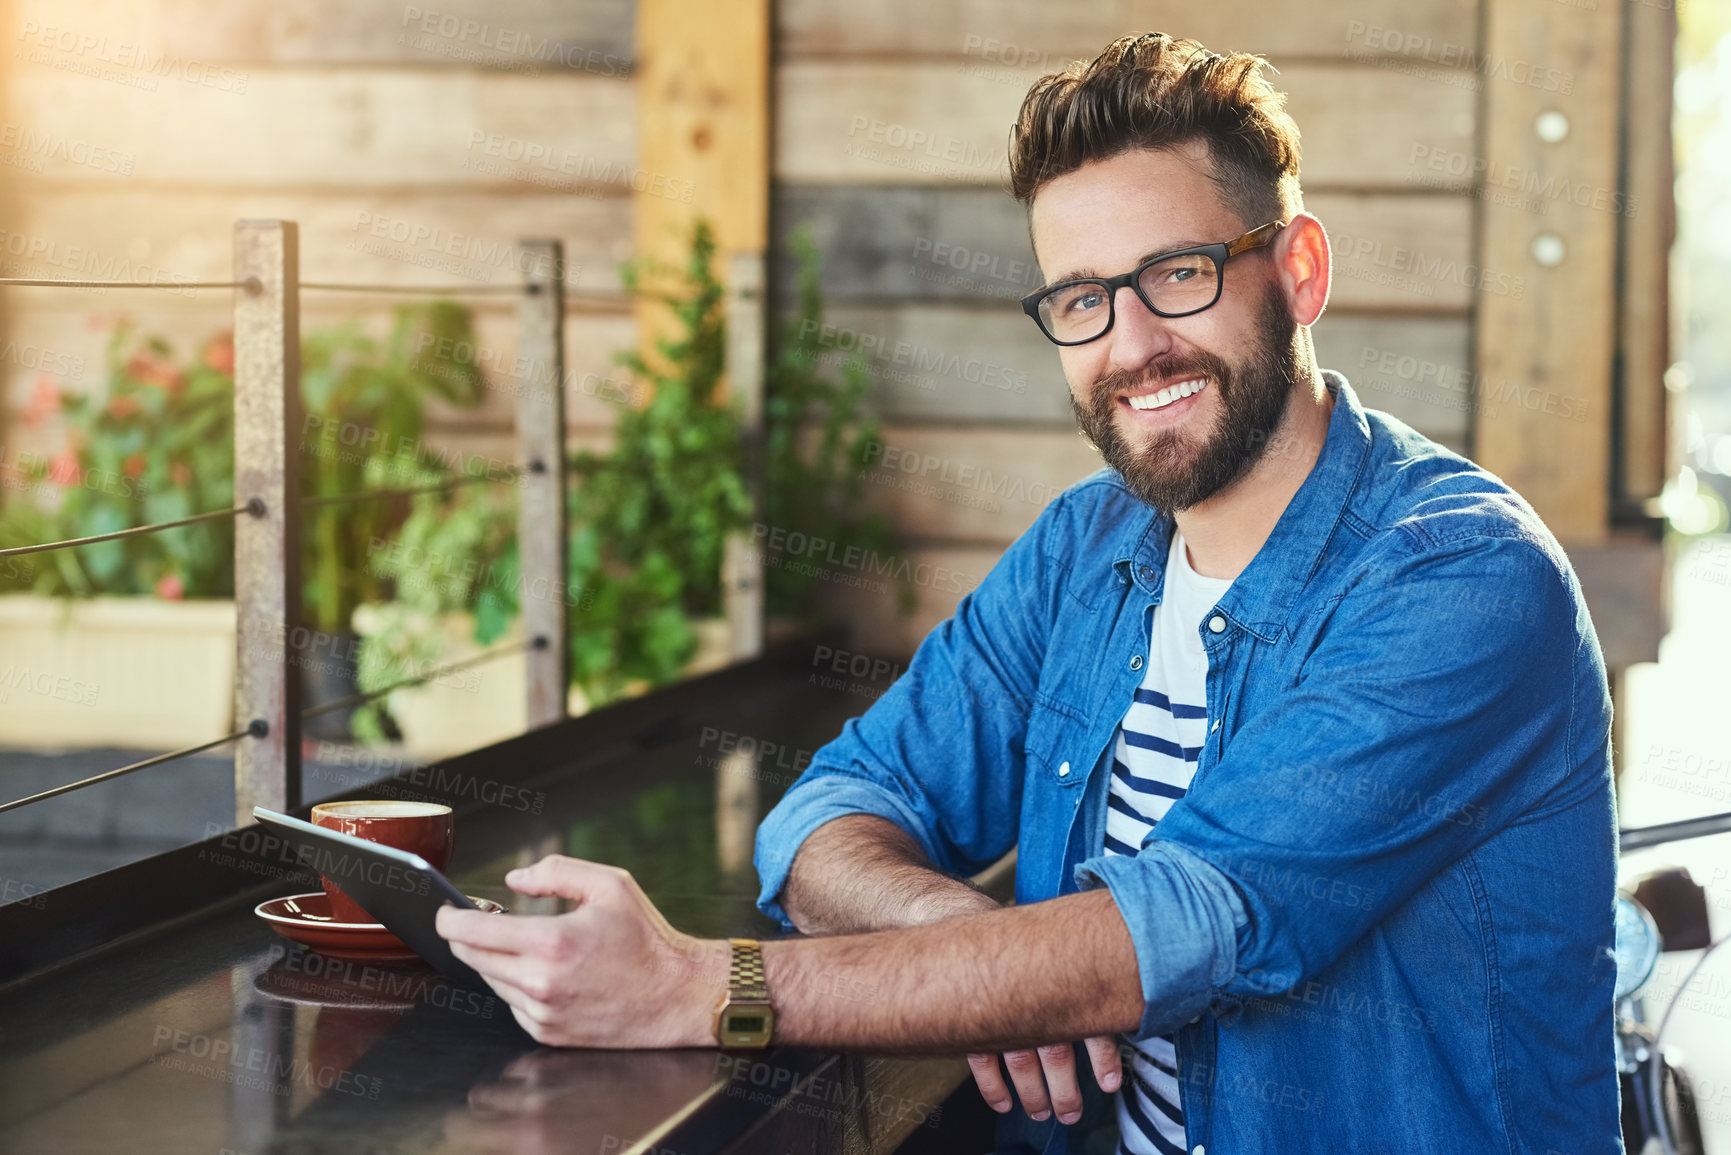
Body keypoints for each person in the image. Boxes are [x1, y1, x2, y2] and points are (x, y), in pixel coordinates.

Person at [438, 32, 1621, 1154]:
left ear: (1297, 270)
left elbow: (1169, 937)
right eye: (1081, 299)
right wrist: (968, 942)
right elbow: (827, 810)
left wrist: (706, 986)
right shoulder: (1086, 550)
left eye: (1179, 273)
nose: (1132, 342)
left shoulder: (1461, 576)